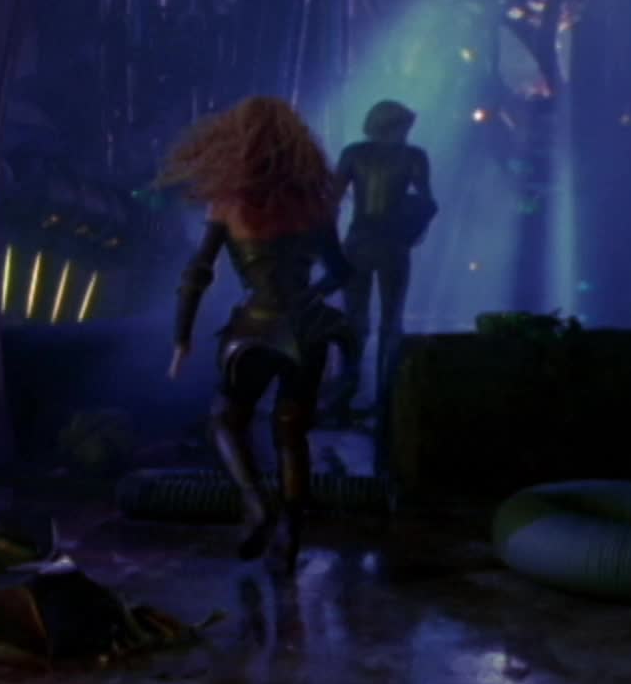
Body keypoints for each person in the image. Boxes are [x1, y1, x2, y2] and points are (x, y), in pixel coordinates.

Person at [157, 96, 353, 575]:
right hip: (308, 330)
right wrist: (312, 297)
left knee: (225, 419)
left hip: (253, 330)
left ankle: (255, 503)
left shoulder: (228, 203)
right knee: (292, 433)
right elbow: (341, 271)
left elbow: (197, 273)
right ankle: (290, 537)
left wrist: (182, 339)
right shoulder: (315, 204)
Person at [326, 99, 437, 424]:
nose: (406, 133)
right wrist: (412, 228)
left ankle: (351, 396)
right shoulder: (413, 156)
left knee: (359, 322)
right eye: (403, 127)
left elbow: (331, 202)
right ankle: (384, 399)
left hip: (361, 243)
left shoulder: (354, 153)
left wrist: (328, 245)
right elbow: (427, 202)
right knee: (386, 323)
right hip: (390, 246)